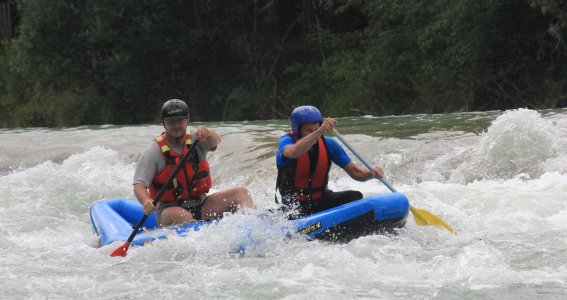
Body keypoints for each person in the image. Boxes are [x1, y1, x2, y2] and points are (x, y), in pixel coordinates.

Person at [133, 99, 255, 227]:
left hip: (202, 204)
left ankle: (251, 227)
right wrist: (146, 201)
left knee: (241, 193)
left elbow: (215, 143)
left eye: (180, 120)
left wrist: (208, 133)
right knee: (184, 216)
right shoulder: (153, 151)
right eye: (171, 122)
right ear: (163, 123)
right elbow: (139, 184)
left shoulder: (197, 138)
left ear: (187, 120)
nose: (176, 125)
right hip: (169, 210)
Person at [275, 105, 384, 218]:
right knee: (293, 212)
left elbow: (355, 172)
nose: (314, 133)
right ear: (297, 130)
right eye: (309, 130)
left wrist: (371, 174)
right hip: (294, 207)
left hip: (321, 199)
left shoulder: (329, 144)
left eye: (316, 129)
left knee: (354, 197)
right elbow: (293, 152)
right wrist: (320, 131)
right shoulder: (286, 141)